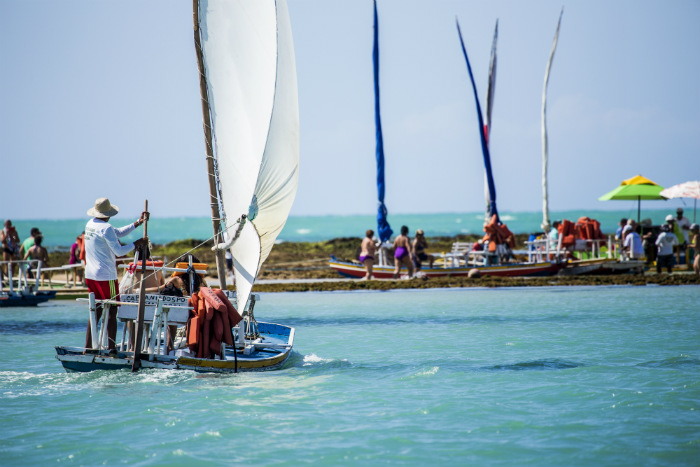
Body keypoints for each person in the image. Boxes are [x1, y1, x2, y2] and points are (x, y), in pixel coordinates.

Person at [83, 197, 149, 351]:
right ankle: (112, 348)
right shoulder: (105, 228)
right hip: (106, 276)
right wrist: (136, 243)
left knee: (96, 310)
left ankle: (88, 347)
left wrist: (137, 223)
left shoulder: (90, 224)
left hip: (91, 275)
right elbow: (118, 251)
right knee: (112, 309)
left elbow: (116, 233)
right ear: (108, 213)